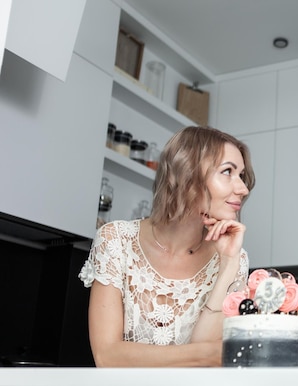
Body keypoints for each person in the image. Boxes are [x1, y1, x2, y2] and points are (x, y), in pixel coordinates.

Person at [79, 126, 255, 367]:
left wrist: (228, 265)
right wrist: (212, 354)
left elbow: (205, 371)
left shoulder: (235, 258)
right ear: (188, 175)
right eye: (228, 172)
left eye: (241, 176)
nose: (243, 189)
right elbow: (106, 356)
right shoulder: (116, 240)